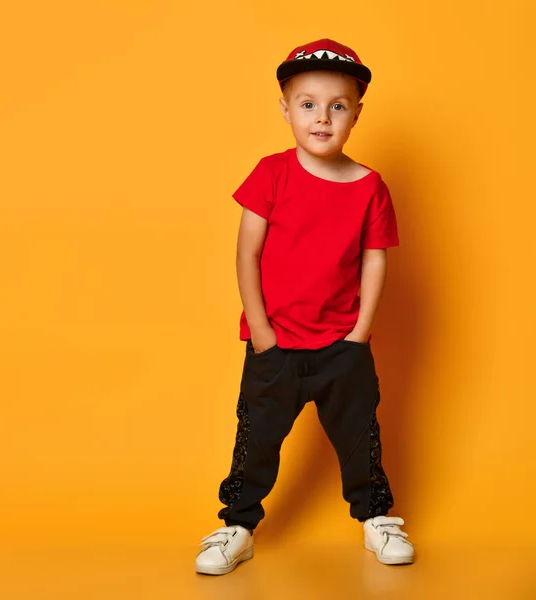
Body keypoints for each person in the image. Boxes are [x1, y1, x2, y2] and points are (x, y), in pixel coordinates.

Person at [195, 38, 415, 576]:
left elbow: (374, 261)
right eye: (308, 104)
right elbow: (247, 254)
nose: (323, 117)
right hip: (278, 345)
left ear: (356, 114)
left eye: (338, 106)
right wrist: (264, 334)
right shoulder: (271, 174)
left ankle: (376, 519)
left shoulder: (369, 187)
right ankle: (238, 526)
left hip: (343, 344)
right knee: (258, 437)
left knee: (360, 435)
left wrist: (360, 333)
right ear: (286, 109)